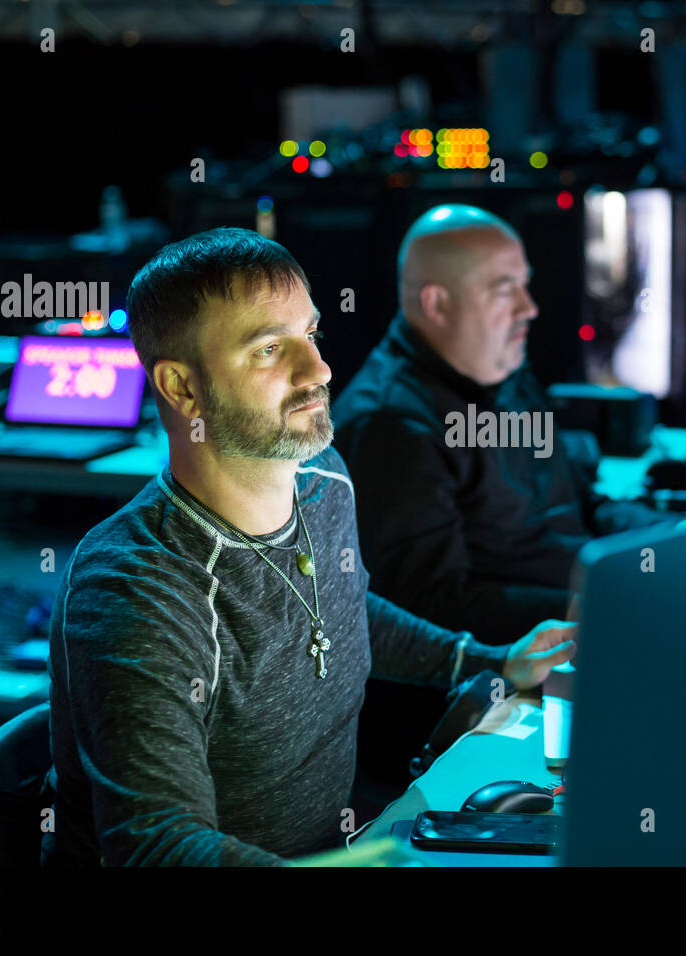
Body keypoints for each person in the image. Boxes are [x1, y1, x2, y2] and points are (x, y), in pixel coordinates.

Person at [41, 227, 576, 866]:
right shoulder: (137, 590)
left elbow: (344, 606)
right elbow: (157, 848)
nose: (319, 370)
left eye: (311, 334)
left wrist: (488, 659)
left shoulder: (322, 480)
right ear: (182, 389)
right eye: (269, 349)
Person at [332, 205, 668, 789]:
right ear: (437, 303)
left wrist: (672, 539)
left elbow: (581, 505)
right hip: (484, 702)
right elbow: (433, 605)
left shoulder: (504, 372)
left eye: (526, 285)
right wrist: (604, 599)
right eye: (503, 289)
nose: (529, 308)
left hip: (571, 640)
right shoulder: (390, 425)